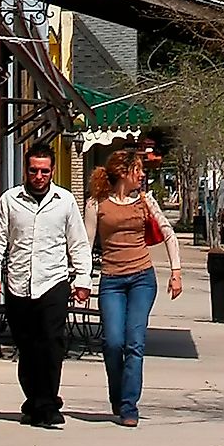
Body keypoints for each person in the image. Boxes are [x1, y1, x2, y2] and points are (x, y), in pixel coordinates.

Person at [0, 143, 92, 428]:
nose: (39, 176)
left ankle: (48, 403)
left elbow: (78, 244)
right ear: (26, 170)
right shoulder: (10, 201)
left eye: (44, 171)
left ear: (52, 171)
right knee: (28, 347)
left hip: (54, 282)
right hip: (19, 283)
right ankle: (34, 402)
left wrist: (82, 280)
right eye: (34, 170)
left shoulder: (65, 201)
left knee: (52, 344)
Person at [83, 150, 183, 427]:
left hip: (142, 279)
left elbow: (168, 233)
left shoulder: (145, 201)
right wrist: (80, 280)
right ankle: (118, 394)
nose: (141, 175)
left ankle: (129, 406)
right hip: (111, 280)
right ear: (124, 172)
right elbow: (85, 244)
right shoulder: (96, 204)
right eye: (137, 170)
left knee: (134, 343)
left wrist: (176, 272)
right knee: (113, 342)